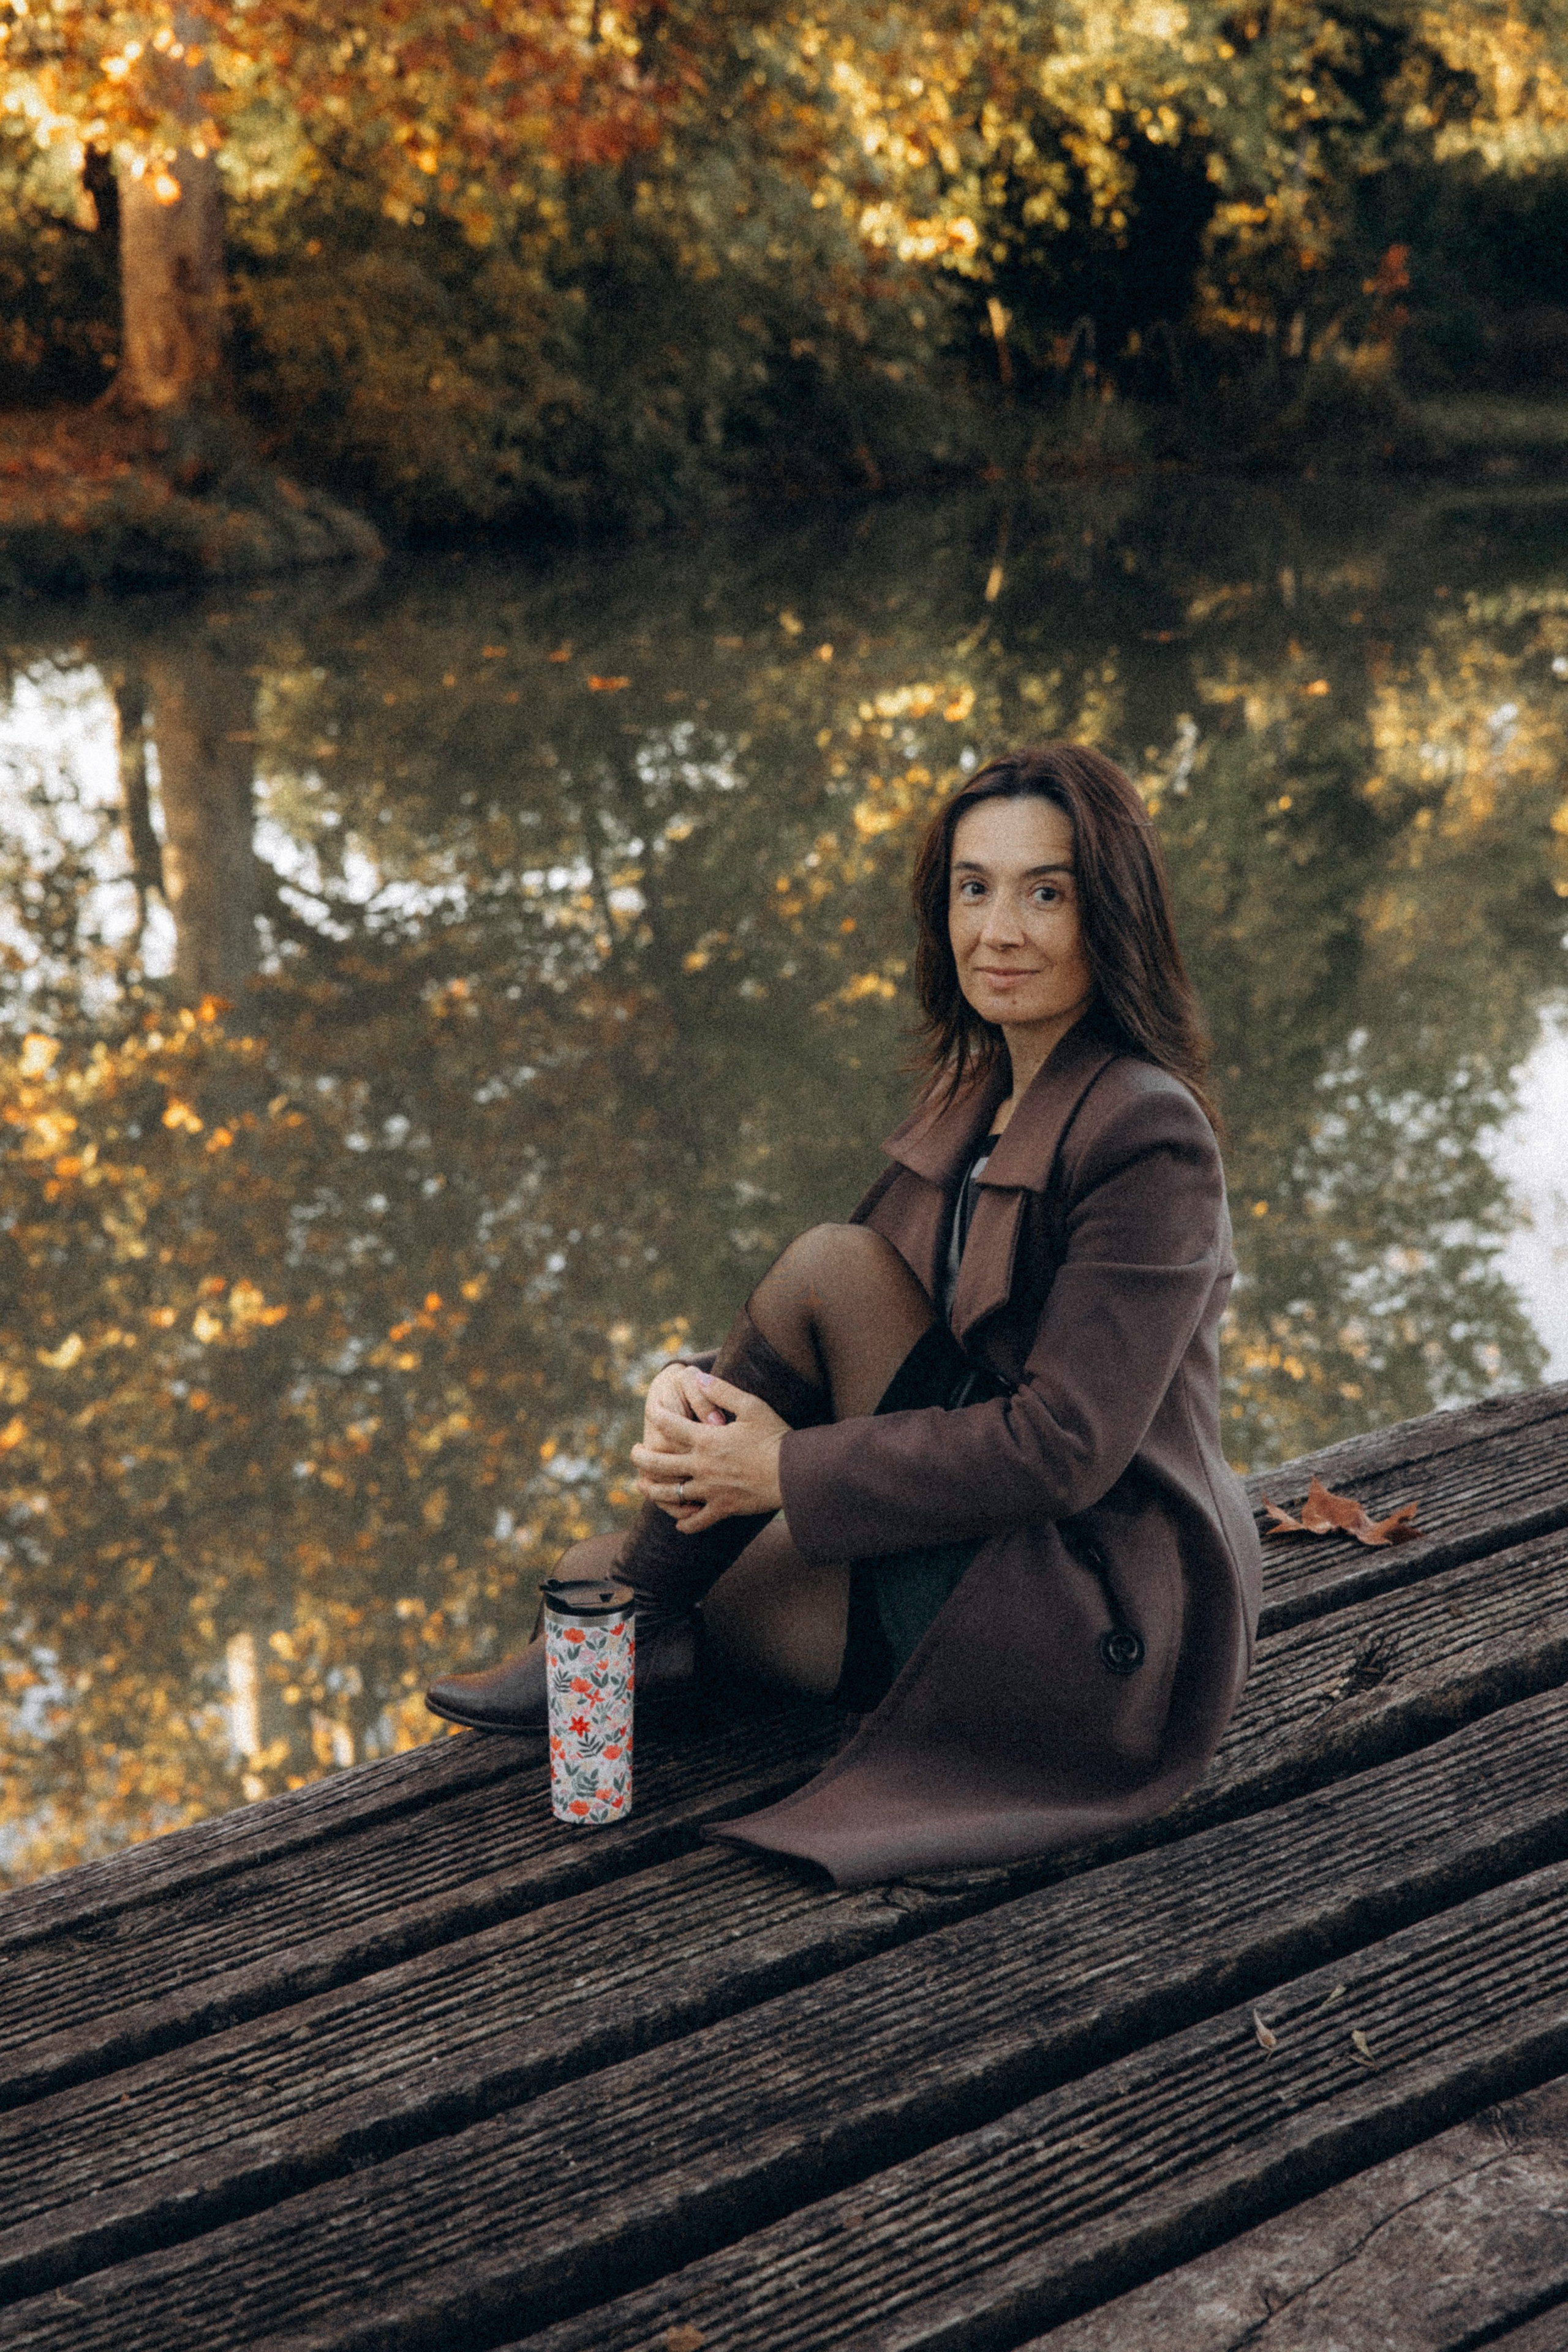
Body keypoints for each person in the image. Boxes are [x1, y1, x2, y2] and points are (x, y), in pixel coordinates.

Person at [426, 742, 1263, 1887]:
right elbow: (853, 1342)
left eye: (1046, 893)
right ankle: (655, 1632)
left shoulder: (1148, 1135)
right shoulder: (983, 1093)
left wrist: (779, 1472)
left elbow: (1064, 1447)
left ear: (1109, 913)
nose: (999, 930)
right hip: (979, 1535)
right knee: (597, 1577)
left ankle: (658, 1634)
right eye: (974, 888)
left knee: (812, 1292)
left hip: (1089, 1613)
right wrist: (695, 1384)